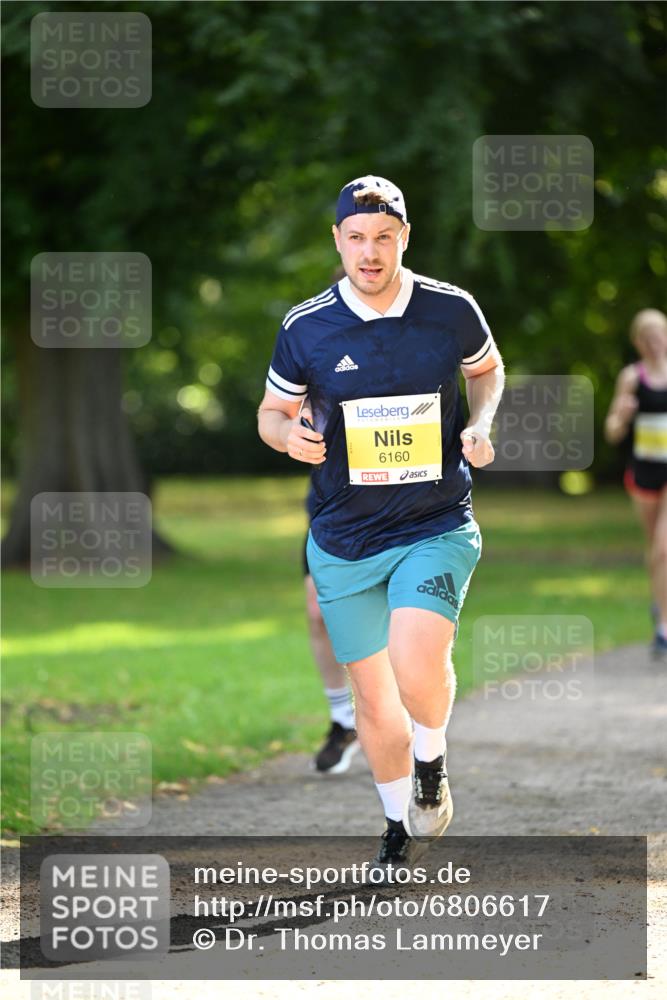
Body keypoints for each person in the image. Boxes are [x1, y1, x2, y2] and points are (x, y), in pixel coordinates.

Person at [258, 175, 504, 878]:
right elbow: (271, 414)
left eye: (383, 237)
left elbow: (486, 370)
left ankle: (432, 763)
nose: (370, 252)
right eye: (356, 238)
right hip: (342, 539)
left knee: (413, 655)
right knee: (371, 698)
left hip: (434, 522)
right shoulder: (305, 326)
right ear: (337, 240)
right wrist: (287, 440)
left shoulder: (449, 309)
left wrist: (481, 423)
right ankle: (397, 825)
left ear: (404, 237)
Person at [604, 308, 667, 658]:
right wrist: (622, 416)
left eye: (661, 335)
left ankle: (663, 629)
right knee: (655, 551)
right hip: (644, 473)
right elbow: (612, 432)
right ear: (639, 343)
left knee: (663, 548)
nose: (656, 343)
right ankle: (661, 603)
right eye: (649, 337)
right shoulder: (632, 377)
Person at [302, 491, 359, 774]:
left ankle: (398, 721)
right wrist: (288, 442)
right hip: (332, 505)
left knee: (394, 614)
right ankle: (344, 722)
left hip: (404, 509)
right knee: (319, 613)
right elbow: (272, 442)